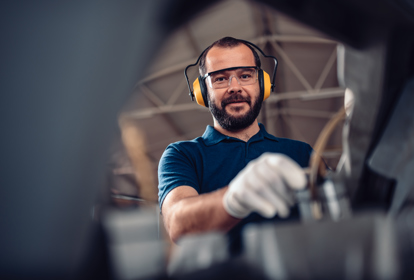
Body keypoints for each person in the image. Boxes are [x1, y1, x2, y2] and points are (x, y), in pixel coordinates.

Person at [158, 37, 312, 253]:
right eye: (220, 79)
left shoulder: (301, 152)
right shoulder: (183, 154)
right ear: (202, 91)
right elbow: (177, 223)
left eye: (245, 76)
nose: (234, 87)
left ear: (262, 84)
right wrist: (233, 199)